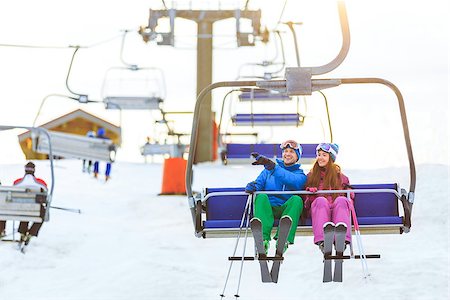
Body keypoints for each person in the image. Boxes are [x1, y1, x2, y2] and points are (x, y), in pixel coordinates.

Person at [245, 140, 307, 254]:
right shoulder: (268, 171)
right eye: (285, 151)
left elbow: (291, 180)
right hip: (268, 208)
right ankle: (262, 240)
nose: (287, 154)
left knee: (297, 200)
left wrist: (273, 167)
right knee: (261, 197)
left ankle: (283, 239)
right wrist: (253, 186)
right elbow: (259, 184)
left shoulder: (300, 175)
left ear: (297, 156)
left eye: (292, 152)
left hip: (286, 209)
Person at [303, 143, 354, 253]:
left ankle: (342, 238)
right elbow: (306, 204)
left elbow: (349, 200)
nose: (320, 158)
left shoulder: (341, 178)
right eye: (319, 154)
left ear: (330, 158)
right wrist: (310, 196)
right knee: (320, 201)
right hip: (320, 209)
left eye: (324, 155)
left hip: (336, 209)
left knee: (341, 200)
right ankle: (323, 241)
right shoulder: (311, 176)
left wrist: (349, 195)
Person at [13, 162, 48, 245]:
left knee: (24, 210)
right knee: (41, 212)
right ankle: (31, 233)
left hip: (20, 209)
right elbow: (45, 195)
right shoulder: (40, 183)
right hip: (34, 209)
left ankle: (22, 232)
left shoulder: (17, 182)